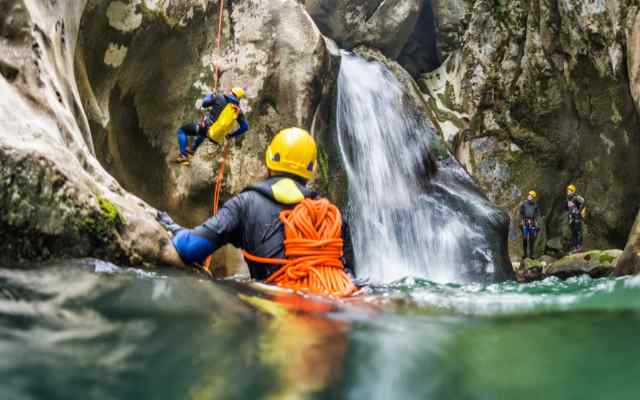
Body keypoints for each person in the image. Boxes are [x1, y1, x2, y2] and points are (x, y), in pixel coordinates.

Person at [160, 127, 354, 280]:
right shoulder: (331, 216)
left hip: (277, 310)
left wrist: (174, 229)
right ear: (310, 171)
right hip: (332, 309)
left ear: (269, 162)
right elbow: (349, 276)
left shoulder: (245, 204)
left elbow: (190, 248)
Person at [174, 87, 249, 164]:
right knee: (204, 133)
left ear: (231, 92)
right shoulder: (237, 111)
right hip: (214, 134)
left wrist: (211, 95)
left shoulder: (220, 97)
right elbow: (245, 127)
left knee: (182, 131)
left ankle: (183, 156)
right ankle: (192, 150)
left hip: (206, 127)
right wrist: (231, 135)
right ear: (239, 98)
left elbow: (204, 104)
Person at [519, 190, 541, 259]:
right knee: (524, 238)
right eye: (529, 195)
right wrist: (522, 220)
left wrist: (536, 223)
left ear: (533, 197)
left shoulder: (535, 206)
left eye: (531, 196)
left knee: (531, 239)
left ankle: (531, 254)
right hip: (525, 222)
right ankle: (525, 254)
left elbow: (537, 215)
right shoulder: (524, 204)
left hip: (532, 223)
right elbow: (521, 212)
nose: (529, 196)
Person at [566, 184, 586, 253]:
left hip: (577, 217)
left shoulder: (576, 197)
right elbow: (568, 209)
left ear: (573, 191)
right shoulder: (569, 199)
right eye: (567, 190)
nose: (568, 191)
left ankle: (579, 246)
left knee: (578, 231)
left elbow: (583, 202)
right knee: (573, 232)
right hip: (572, 218)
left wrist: (579, 211)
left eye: (569, 190)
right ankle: (574, 247)